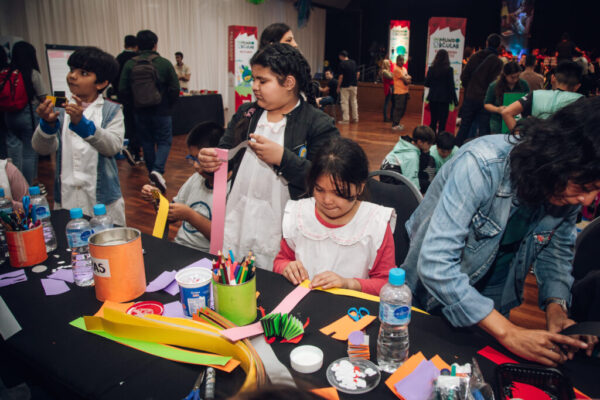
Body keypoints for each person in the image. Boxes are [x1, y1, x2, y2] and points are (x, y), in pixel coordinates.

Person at [402, 96, 600, 366]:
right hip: (430, 293)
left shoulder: (567, 186)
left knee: (478, 369)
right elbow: (436, 264)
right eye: (585, 187)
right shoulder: (481, 164)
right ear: (559, 158)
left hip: (497, 289)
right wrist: (509, 332)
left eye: (596, 190)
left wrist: (557, 308)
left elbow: (556, 251)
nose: (587, 201)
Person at [198, 43, 339, 270]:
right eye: (254, 79)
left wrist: (283, 158)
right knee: (236, 271)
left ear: (289, 83)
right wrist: (210, 161)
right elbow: (225, 154)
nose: (254, 86)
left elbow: (326, 180)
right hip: (240, 217)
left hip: (284, 224)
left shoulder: (317, 124)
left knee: (276, 274)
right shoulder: (247, 114)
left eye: (262, 81)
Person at [273, 137, 395, 295]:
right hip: (303, 301)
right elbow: (281, 260)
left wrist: (349, 284)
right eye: (319, 189)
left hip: (352, 307)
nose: (327, 200)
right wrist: (286, 267)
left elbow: (386, 284)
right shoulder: (299, 214)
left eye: (338, 193)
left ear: (359, 188)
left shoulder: (375, 223)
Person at [32, 47, 126, 226]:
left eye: (83, 73)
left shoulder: (111, 110)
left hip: (101, 198)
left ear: (101, 83)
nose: (72, 76)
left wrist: (82, 125)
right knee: (72, 236)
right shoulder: (59, 109)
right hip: (67, 195)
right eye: (71, 70)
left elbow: (113, 146)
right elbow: (42, 148)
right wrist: (47, 124)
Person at [141, 122, 231, 252]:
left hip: (209, 255)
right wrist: (157, 198)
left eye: (199, 159)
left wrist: (190, 215)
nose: (195, 165)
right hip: (181, 245)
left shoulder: (231, 189)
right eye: (192, 158)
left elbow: (223, 240)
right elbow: (169, 217)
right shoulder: (195, 179)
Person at [119, 29, 180, 194]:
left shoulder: (130, 64)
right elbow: (175, 88)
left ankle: (152, 174)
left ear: (137, 46)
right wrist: (168, 104)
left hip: (140, 111)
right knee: (164, 141)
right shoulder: (164, 63)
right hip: (162, 110)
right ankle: (157, 171)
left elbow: (122, 90)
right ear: (155, 45)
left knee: (146, 142)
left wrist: (134, 105)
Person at [2, 41, 48, 185]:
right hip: (28, 115)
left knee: (14, 151)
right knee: (29, 152)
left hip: (9, 116)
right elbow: (43, 97)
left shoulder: (6, 73)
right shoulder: (32, 73)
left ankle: (14, 185)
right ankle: (27, 185)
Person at [501, 60, 583, 131]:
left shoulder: (536, 95)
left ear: (553, 78)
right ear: (577, 86)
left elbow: (506, 112)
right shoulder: (582, 101)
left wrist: (518, 136)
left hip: (538, 142)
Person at [456, 34, 503, 145]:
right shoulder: (498, 62)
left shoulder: (475, 56)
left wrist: (470, 87)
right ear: (499, 46)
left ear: (486, 43)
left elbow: (464, 76)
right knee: (483, 130)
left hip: (470, 97)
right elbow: (495, 84)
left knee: (464, 127)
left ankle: (457, 149)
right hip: (485, 100)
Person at [113, 35, 142, 166]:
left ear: (124, 44)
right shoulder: (137, 59)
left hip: (123, 98)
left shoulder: (118, 58)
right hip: (139, 99)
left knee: (128, 124)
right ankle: (137, 153)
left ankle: (131, 149)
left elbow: (114, 79)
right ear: (136, 46)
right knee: (140, 126)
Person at [381, 125, 436, 193]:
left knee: (424, 178)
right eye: (429, 144)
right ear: (420, 142)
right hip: (391, 181)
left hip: (387, 173)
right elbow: (412, 183)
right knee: (425, 184)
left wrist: (425, 152)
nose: (431, 146)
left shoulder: (406, 144)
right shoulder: (412, 156)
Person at [484, 61, 529, 134]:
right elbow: (487, 104)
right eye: (512, 77)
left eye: (517, 76)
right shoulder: (494, 86)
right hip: (498, 122)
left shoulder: (523, 85)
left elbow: (528, 101)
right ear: (505, 74)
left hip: (518, 121)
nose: (515, 80)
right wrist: (497, 109)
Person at [424, 49, 458, 134]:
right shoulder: (449, 70)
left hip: (433, 98)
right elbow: (451, 87)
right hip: (444, 100)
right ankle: (440, 139)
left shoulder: (431, 69)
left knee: (433, 121)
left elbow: (427, 84)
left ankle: (431, 139)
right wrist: (455, 102)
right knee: (442, 123)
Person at [337, 50, 359, 124]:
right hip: (354, 85)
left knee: (344, 102)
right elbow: (358, 73)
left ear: (341, 56)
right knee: (354, 101)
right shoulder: (353, 62)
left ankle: (346, 120)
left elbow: (341, 76)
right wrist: (355, 80)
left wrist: (338, 86)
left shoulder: (342, 63)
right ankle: (355, 118)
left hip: (345, 85)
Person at [391, 55, 411, 131]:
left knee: (403, 109)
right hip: (399, 92)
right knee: (398, 109)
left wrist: (407, 78)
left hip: (405, 92)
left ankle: (397, 123)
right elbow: (406, 81)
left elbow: (409, 79)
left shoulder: (404, 69)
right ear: (397, 61)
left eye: (403, 60)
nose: (402, 62)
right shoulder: (396, 69)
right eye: (400, 60)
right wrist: (407, 78)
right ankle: (394, 125)